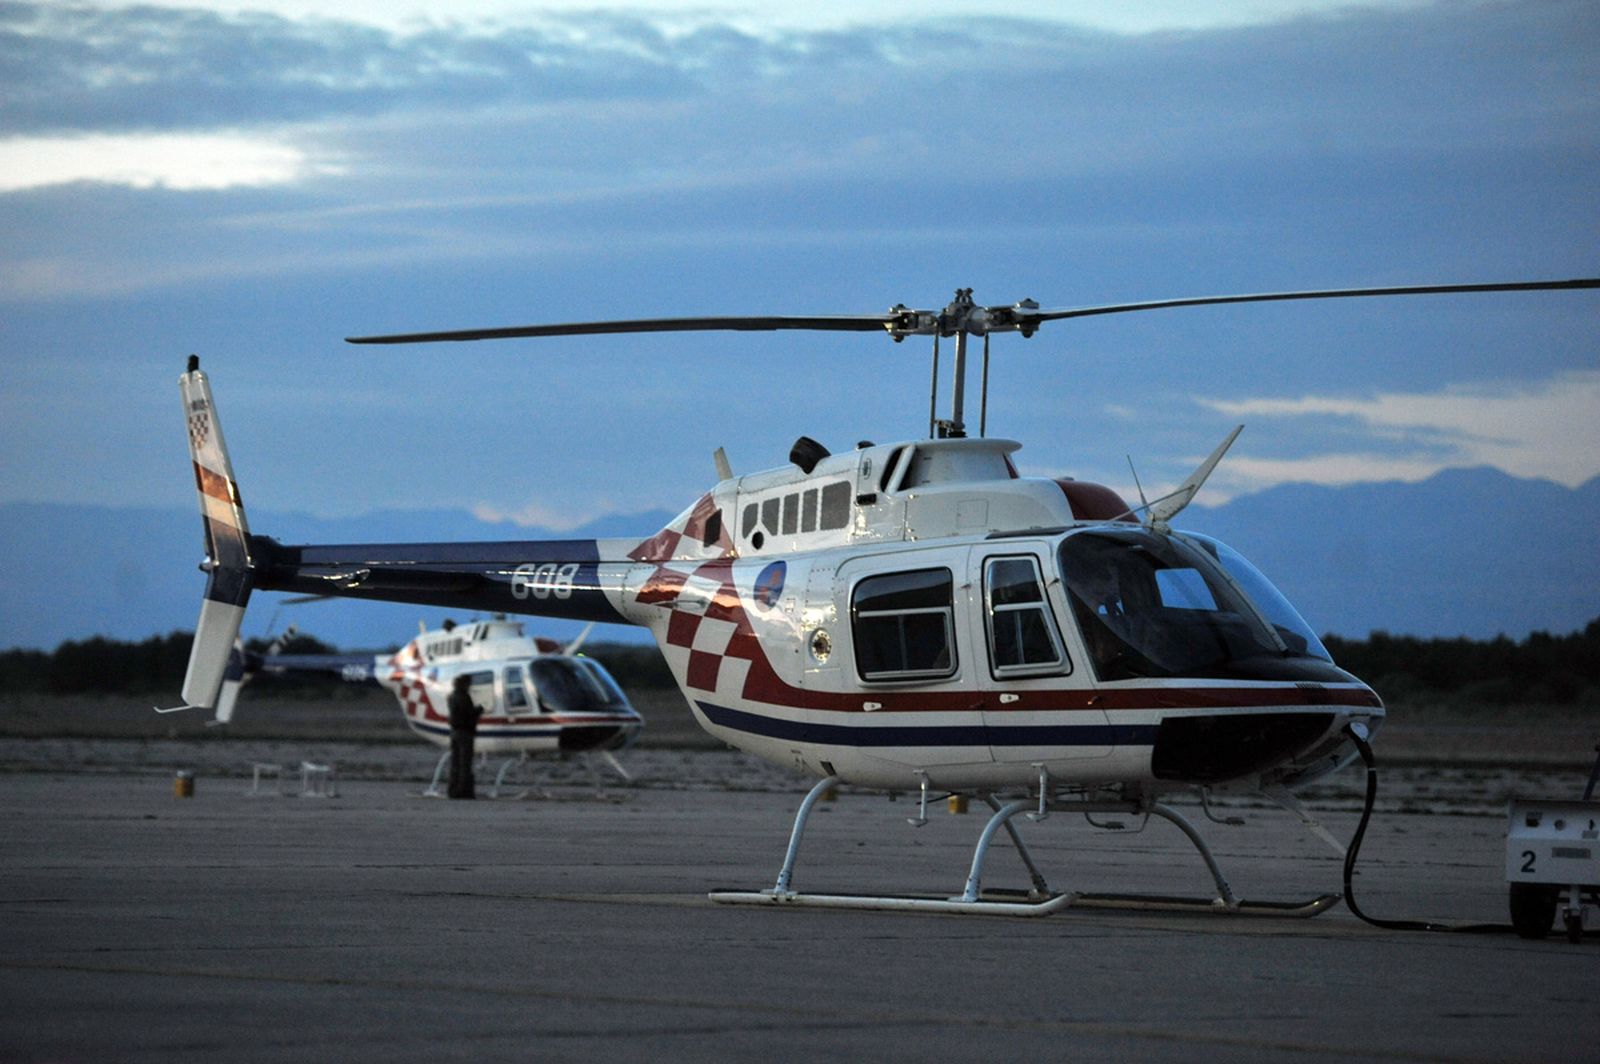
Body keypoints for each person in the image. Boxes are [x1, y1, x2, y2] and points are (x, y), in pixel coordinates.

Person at [446, 673, 483, 799]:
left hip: (455, 733)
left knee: (455, 763)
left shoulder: (452, 696)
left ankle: (453, 790)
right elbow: (468, 714)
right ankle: (464, 791)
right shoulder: (463, 697)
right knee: (465, 764)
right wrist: (478, 711)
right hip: (465, 733)